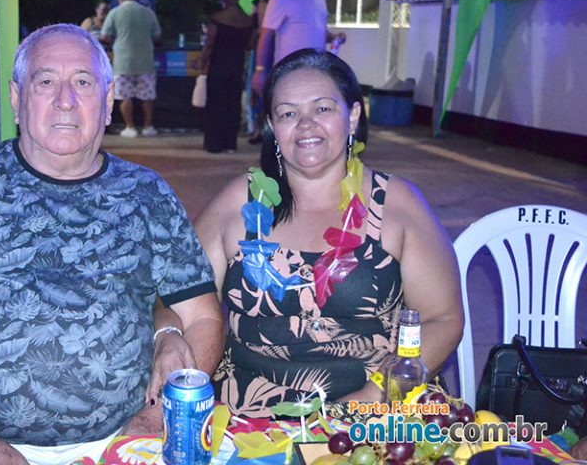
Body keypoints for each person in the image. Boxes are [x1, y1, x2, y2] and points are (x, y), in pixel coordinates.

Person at [0, 23, 224, 464]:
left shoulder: (147, 194)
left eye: (83, 82)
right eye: (45, 82)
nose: (65, 99)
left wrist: (151, 422)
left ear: (108, 102)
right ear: (17, 98)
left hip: (122, 434)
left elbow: (204, 318)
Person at [194, 49, 464, 417]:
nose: (306, 125)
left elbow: (443, 319)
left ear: (352, 116)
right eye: (288, 114)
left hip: (375, 412)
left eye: (322, 108)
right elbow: (183, 300)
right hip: (248, 414)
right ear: (272, 126)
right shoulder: (238, 202)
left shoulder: (396, 203)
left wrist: (370, 398)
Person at [251, 0, 346, 97]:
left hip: (316, 70)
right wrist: (260, 69)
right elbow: (266, 36)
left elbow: (316, 30)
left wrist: (334, 37)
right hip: (289, 71)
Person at [100, 0, 161, 138]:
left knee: (125, 97)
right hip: (146, 61)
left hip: (122, 62)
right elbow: (157, 36)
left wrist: (116, 40)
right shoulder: (148, 12)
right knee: (147, 97)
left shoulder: (114, 12)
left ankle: (130, 128)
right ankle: (148, 127)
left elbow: (105, 36)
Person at [198, 0, 253, 154]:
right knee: (233, 104)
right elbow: (250, 44)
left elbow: (210, 44)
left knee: (216, 104)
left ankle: (214, 143)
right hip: (237, 66)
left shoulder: (218, 19)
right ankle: (230, 143)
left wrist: (202, 62)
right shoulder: (246, 20)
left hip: (219, 65)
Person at [247, 0, 275, 145]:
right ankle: (259, 127)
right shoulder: (258, 4)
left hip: (263, 47)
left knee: (260, 88)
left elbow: (261, 29)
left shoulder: (266, 4)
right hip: (261, 46)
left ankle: (260, 128)